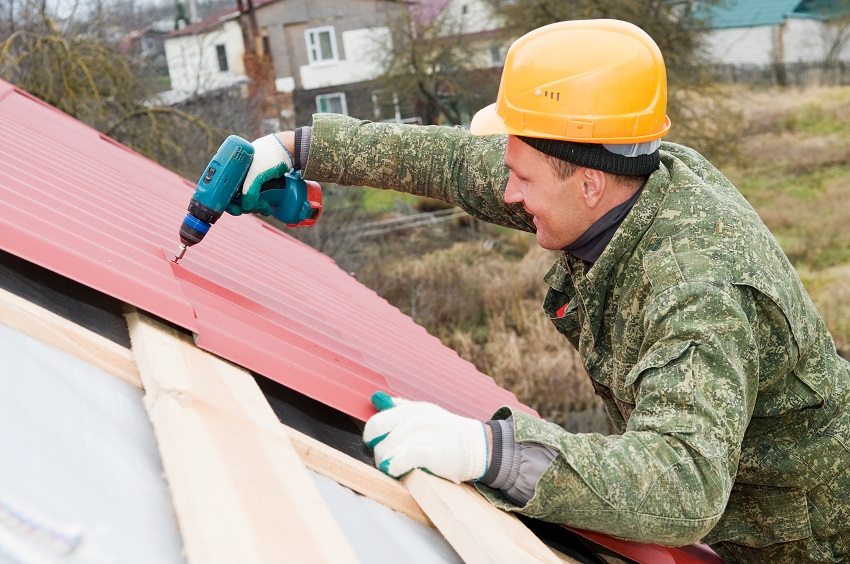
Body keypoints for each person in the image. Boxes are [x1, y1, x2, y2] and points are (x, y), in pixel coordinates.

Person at [229, 19, 850, 562]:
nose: (507, 195)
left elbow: (681, 483)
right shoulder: (614, 176)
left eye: (521, 178)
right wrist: (298, 148)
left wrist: (490, 451)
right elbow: (454, 163)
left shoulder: (696, 287)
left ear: (586, 185)